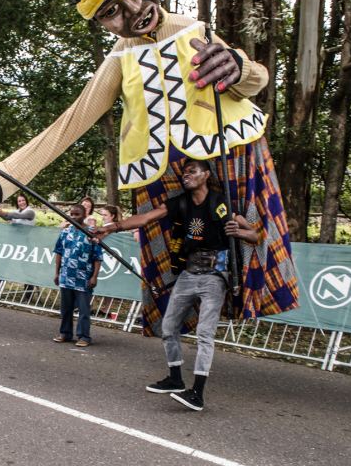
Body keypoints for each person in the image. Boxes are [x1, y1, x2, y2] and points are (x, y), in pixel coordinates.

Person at [0, 0, 298, 338]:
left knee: (245, 252)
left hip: (231, 154)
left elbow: (258, 79)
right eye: (111, 11)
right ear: (99, 22)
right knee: (179, 278)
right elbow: (69, 124)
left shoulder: (195, 30)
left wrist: (239, 66)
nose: (134, 9)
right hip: (162, 175)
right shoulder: (120, 58)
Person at [97, 158, 259, 411]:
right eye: (184, 172)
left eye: (192, 171)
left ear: (206, 175)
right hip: (188, 274)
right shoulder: (180, 203)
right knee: (169, 326)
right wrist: (113, 227)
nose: (186, 175)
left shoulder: (221, 202)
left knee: (205, 334)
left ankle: (198, 393)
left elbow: (255, 235)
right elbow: (147, 218)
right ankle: (175, 378)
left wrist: (239, 232)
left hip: (215, 276)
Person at [53, 203, 103, 347]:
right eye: (72, 214)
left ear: (85, 216)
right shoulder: (64, 232)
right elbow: (58, 252)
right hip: (66, 275)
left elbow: (98, 257)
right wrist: (57, 273)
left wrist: (94, 276)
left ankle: (84, 336)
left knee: (84, 309)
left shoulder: (91, 233)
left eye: (77, 214)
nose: (74, 217)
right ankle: (65, 333)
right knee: (66, 308)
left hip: (83, 277)